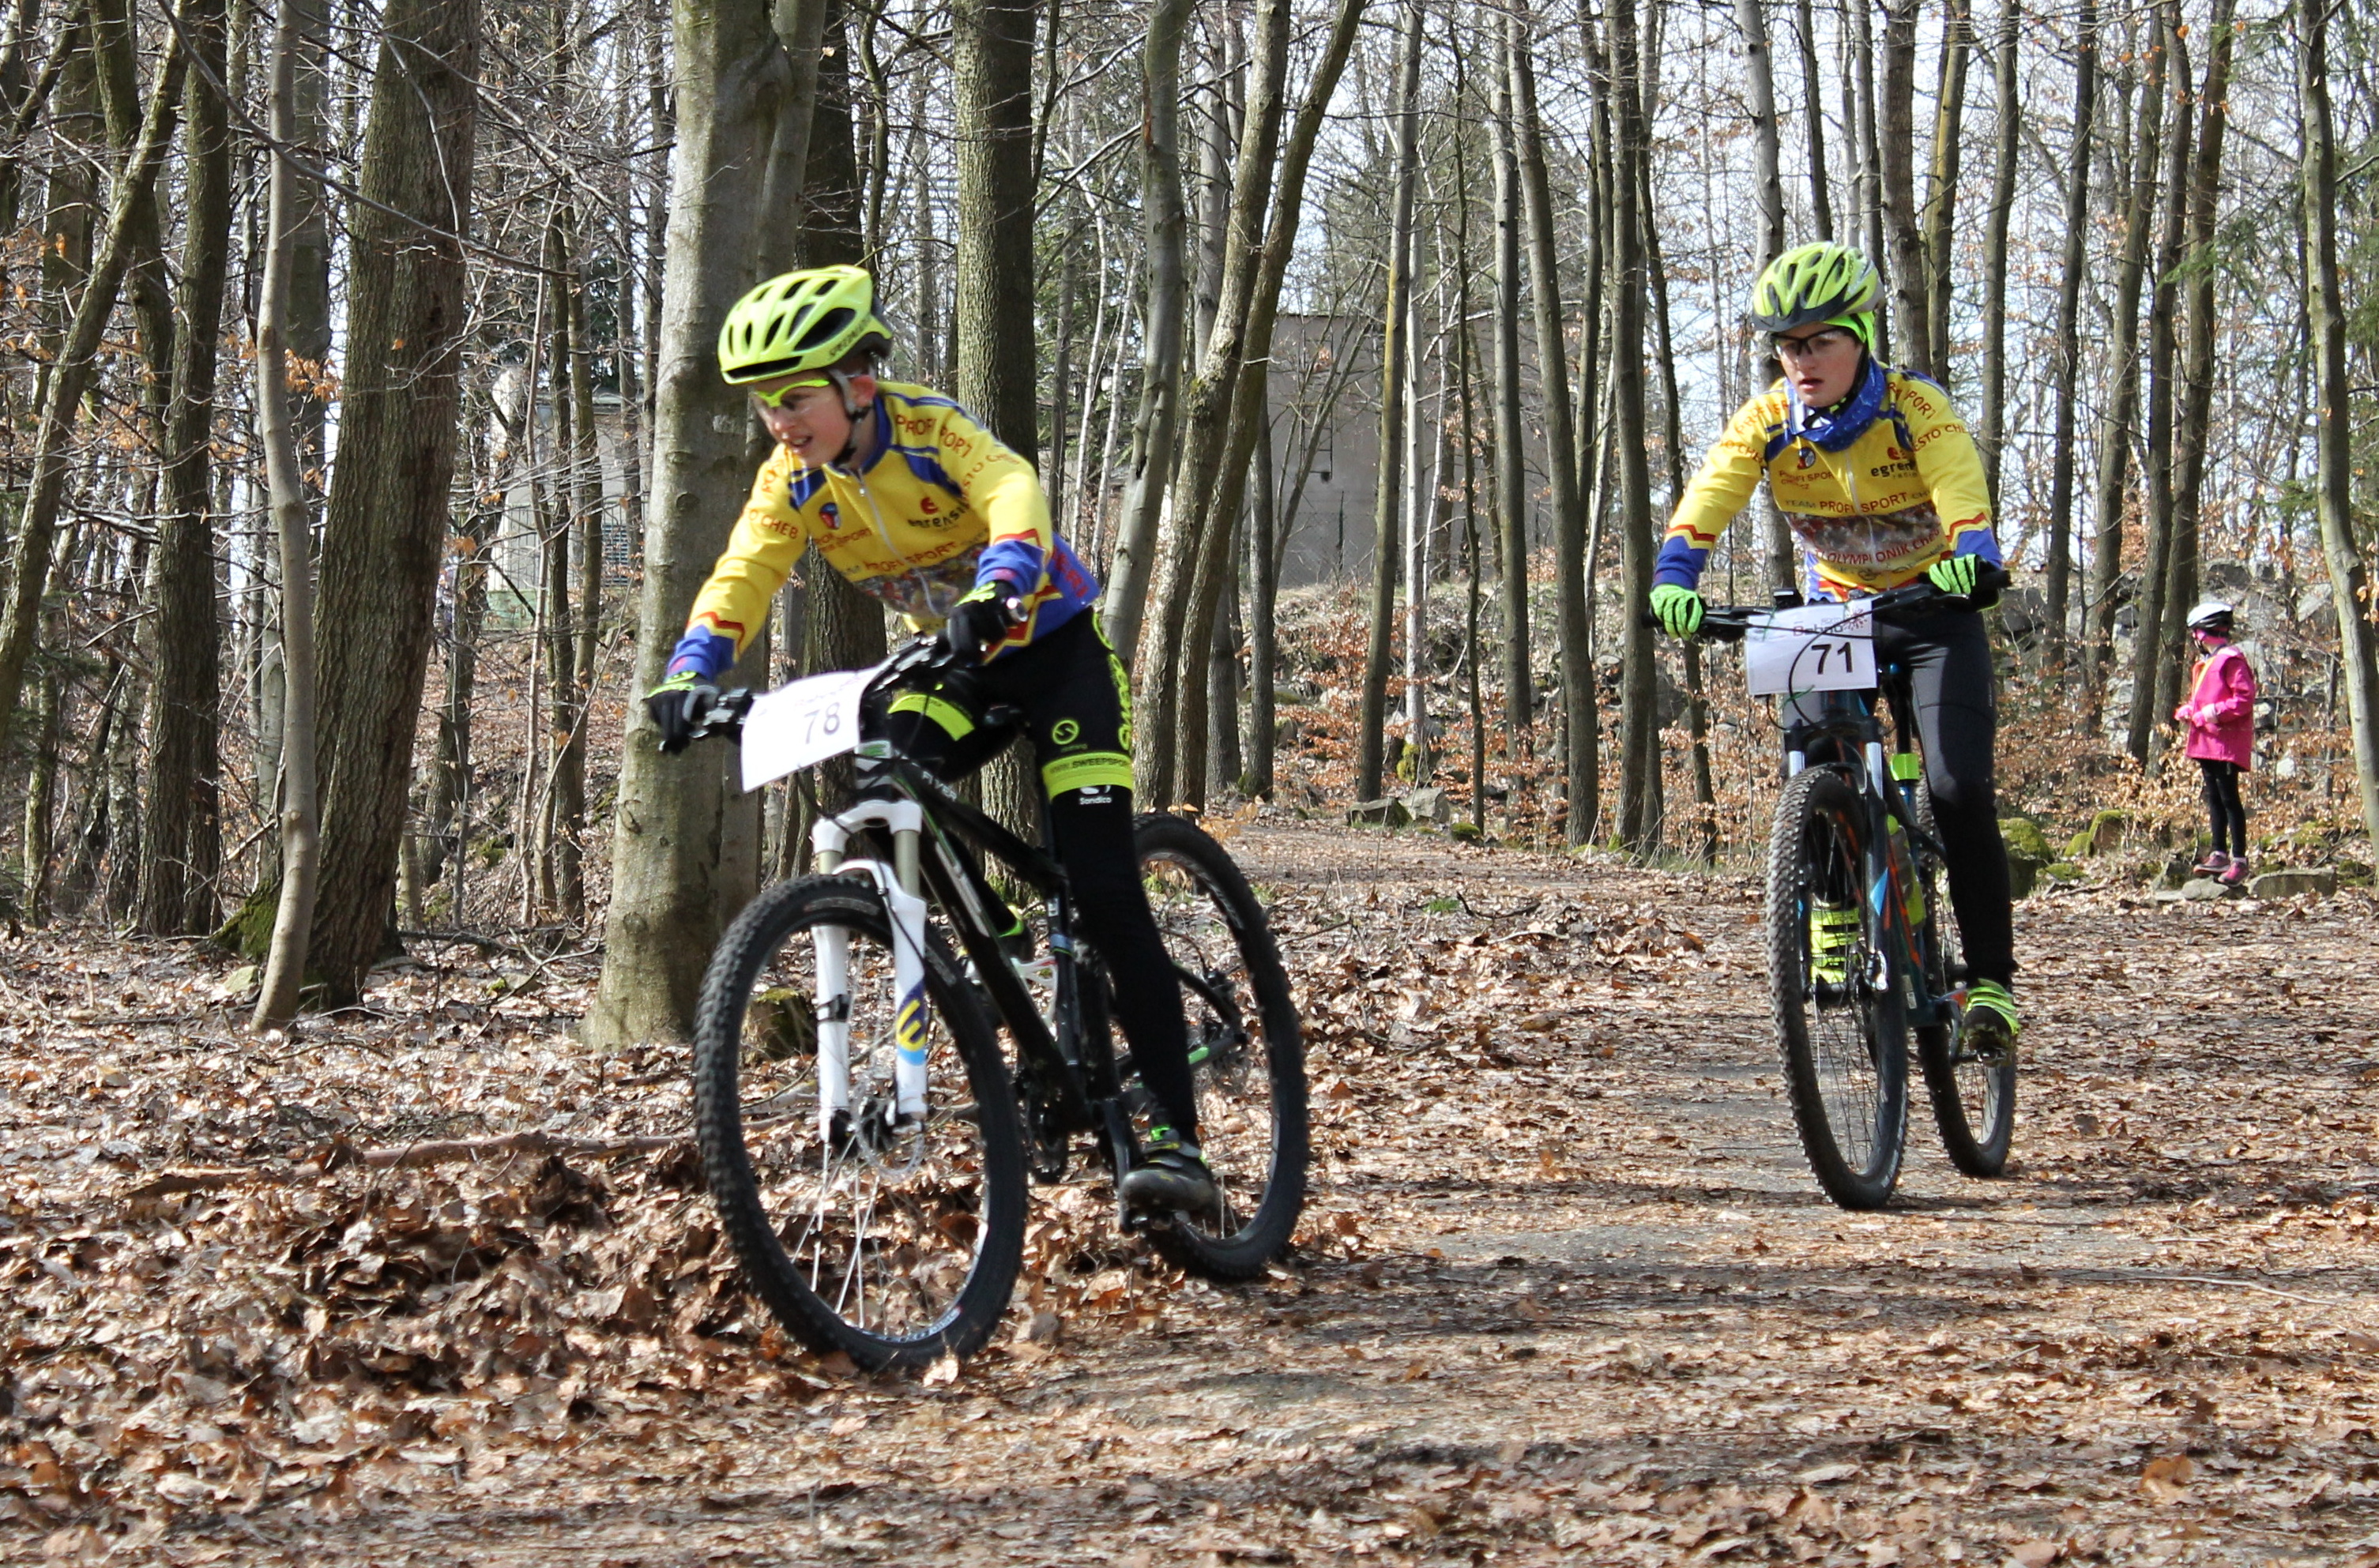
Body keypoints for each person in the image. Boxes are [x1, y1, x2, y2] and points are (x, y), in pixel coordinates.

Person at [643, 265, 1214, 1213]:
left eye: (795, 397)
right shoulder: (793, 481)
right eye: (763, 403)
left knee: (1104, 888)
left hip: (1055, 653)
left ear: (856, 384)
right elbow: (744, 570)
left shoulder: (928, 429)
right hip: (952, 666)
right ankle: (1001, 940)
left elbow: (1011, 485)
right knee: (881, 789)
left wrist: (1000, 584)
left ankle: (1175, 1137)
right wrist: (690, 671)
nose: (780, 421)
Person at [1646, 240, 2021, 1053]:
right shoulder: (1768, 421)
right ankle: (1833, 904)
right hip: (1836, 611)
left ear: (1860, 336)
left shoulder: (1913, 407)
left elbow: (1960, 487)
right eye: (1787, 345)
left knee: (1956, 787)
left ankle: (1991, 980)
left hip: (1932, 608)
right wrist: (1674, 575)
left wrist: (1973, 553)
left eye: (1819, 340)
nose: (1801, 360)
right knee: (1812, 758)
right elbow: (1709, 492)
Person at [2175, 600, 2257, 886]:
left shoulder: (2230, 660)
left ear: (2202, 633)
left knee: (2229, 798)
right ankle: (2219, 853)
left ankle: (2239, 860)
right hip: (2207, 742)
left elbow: (2243, 699)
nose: (2194, 638)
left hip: (2225, 743)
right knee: (2214, 798)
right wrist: (2191, 710)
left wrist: (2211, 714)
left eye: (2195, 633)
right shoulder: (2206, 663)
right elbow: (2206, 697)